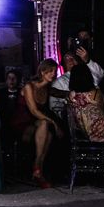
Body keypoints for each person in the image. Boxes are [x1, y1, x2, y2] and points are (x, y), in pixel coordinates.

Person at [67, 64, 104, 183]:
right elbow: (102, 111)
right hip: (102, 133)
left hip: (86, 134)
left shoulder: (70, 96)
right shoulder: (96, 93)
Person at [22, 58, 63, 188]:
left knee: (49, 134)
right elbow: (33, 111)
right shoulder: (30, 86)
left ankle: (38, 171)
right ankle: (37, 167)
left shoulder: (47, 88)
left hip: (38, 123)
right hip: (23, 122)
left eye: (54, 72)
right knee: (46, 124)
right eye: (50, 71)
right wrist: (54, 123)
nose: (53, 74)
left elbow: (61, 93)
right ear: (42, 71)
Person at [50, 50, 104, 117]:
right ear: (64, 65)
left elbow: (100, 74)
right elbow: (55, 107)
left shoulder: (86, 74)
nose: (70, 61)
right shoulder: (59, 82)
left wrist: (87, 60)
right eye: (67, 60)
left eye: (73, 58)